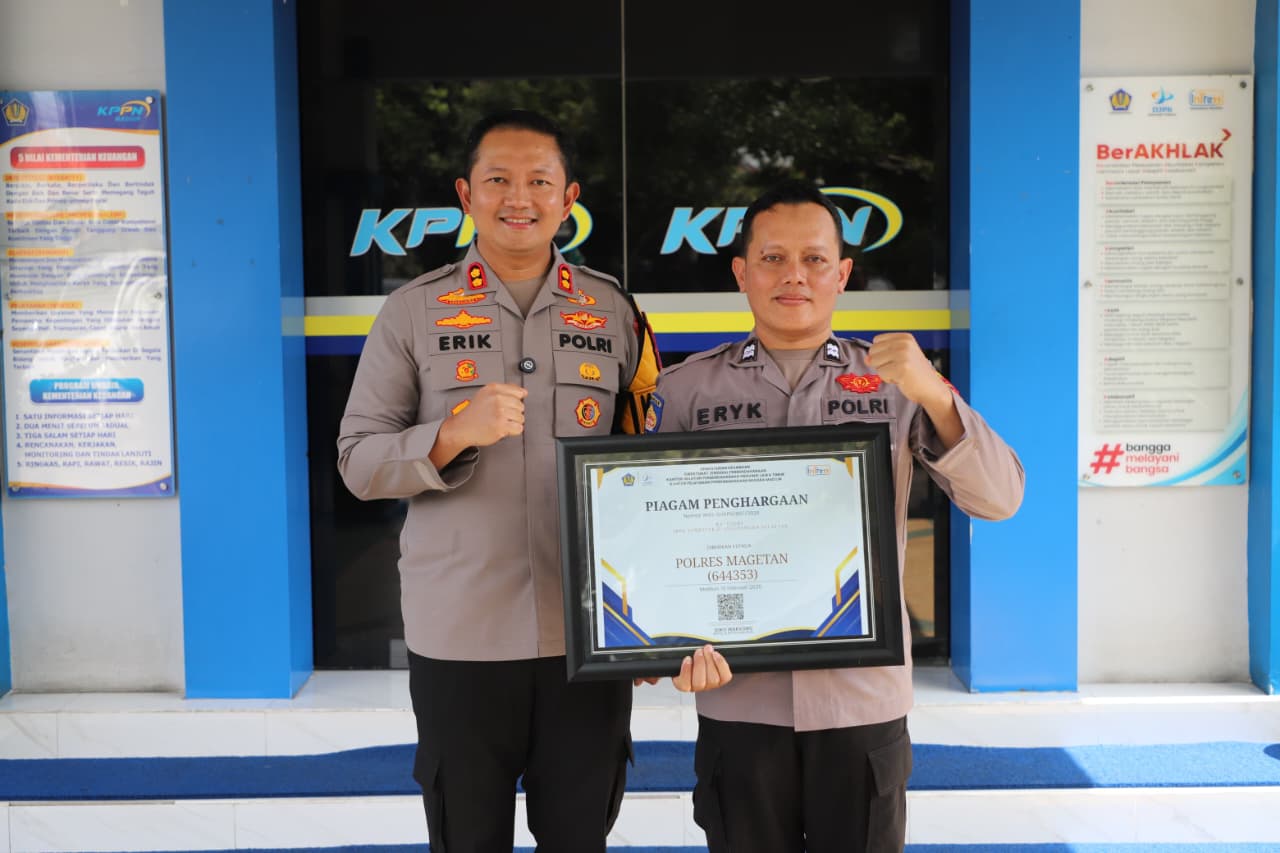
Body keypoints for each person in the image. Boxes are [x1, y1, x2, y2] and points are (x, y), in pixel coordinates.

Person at [645, 180, 1025, 852]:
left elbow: (1000, 497)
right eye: (773, 258)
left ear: (842, 274)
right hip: (739, 696)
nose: (794, 275)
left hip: (860, 698)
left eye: (815, 259)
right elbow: (651, 540)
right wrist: (662, 644)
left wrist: (935, 394)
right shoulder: (684, 392)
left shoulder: (899, 385)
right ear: (741, 272)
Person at [337, 109, 659, 852]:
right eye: (498, 180)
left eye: (540, 181)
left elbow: (647, 473)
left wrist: (648, 622)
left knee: (578, 837)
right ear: (466, 193)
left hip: (585, 640)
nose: (520, 197)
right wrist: (452, 433)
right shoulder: (412, 311)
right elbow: (358, 460)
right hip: (461, 636)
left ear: (569, 197)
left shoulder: (613, 311)